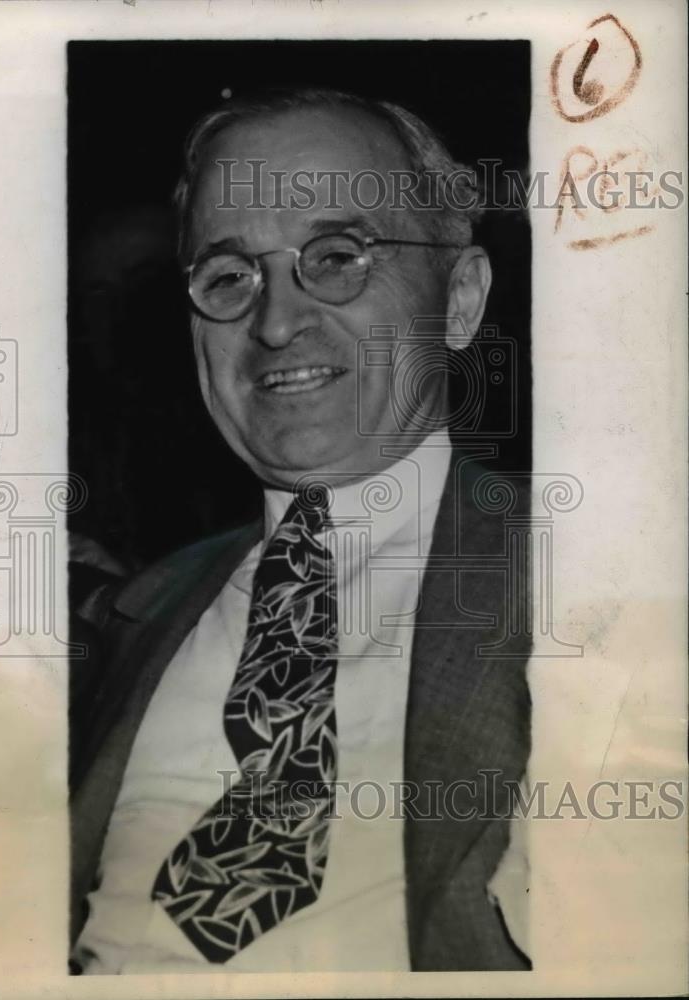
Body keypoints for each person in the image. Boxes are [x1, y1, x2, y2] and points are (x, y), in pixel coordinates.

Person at [69, 87, 531, 974]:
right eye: (229, 277)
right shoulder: (126, 614)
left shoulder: (603, 574)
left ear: (461, 298)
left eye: (336, 256)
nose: (276, 323)